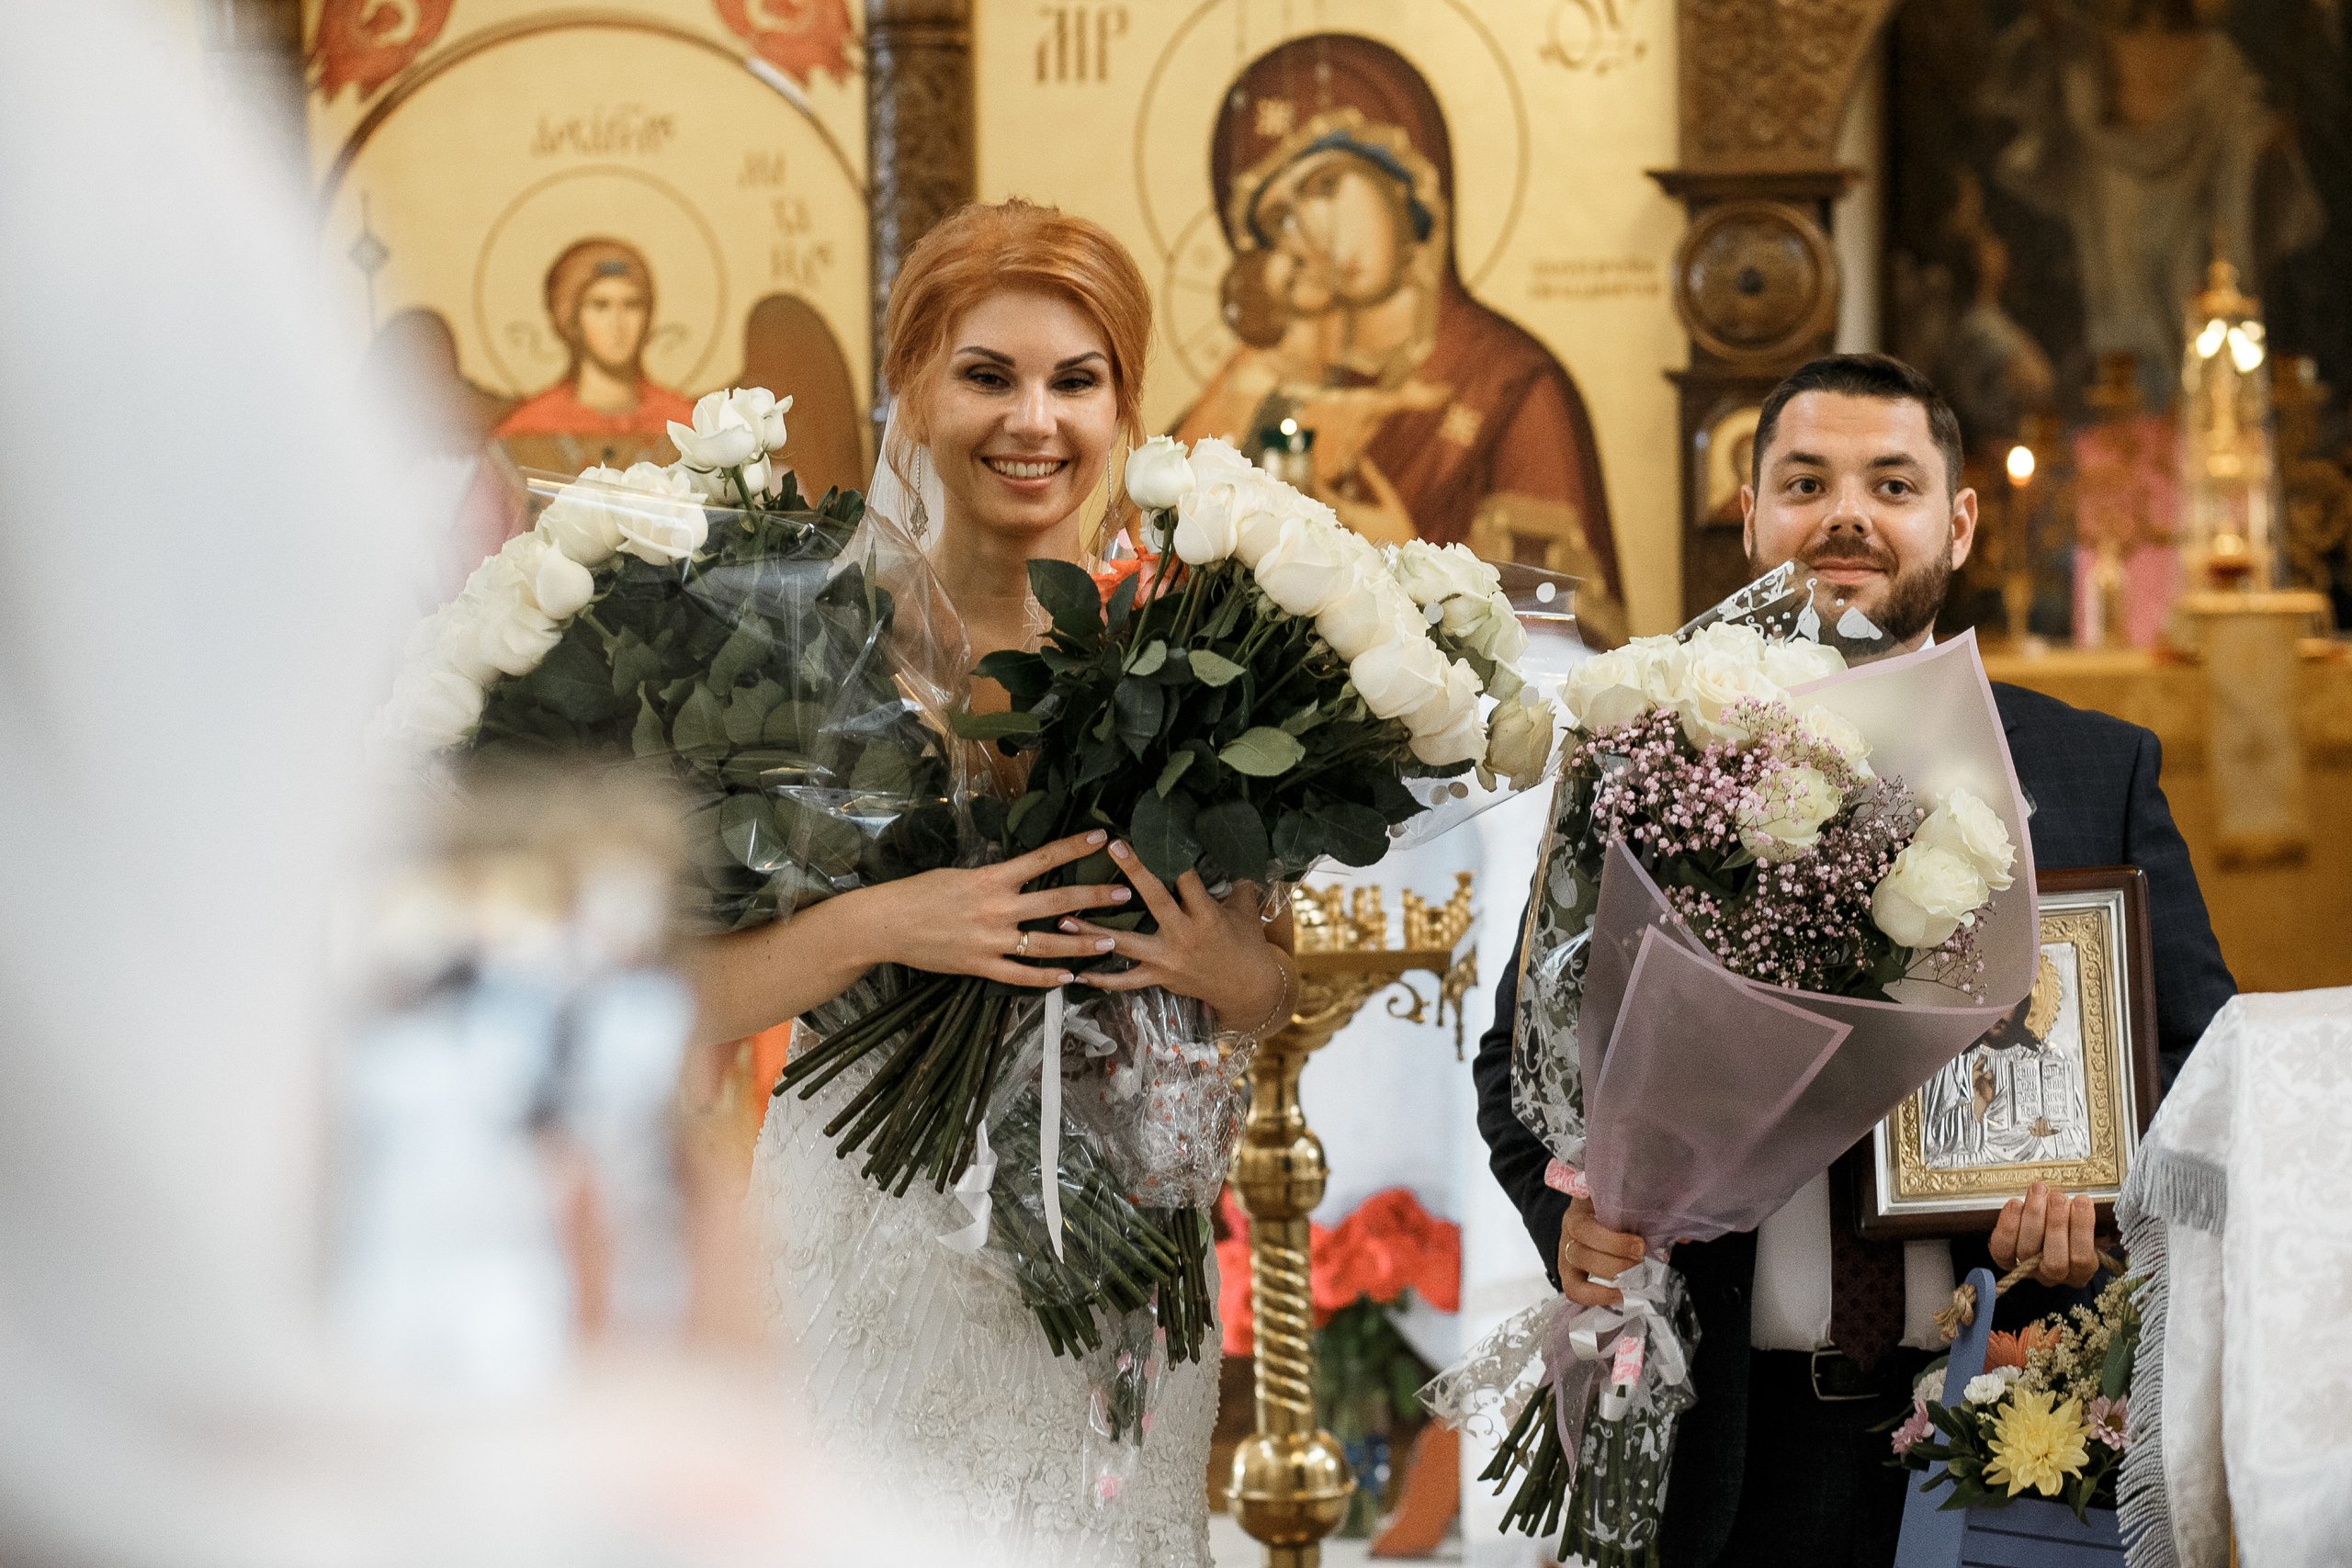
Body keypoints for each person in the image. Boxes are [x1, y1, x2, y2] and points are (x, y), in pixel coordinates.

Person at [1472, 354, 2236, 1567]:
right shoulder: (1652, 760)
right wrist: (1566, 1215)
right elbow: (1527, 1048)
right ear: (1752, 512)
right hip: (1727, 1439)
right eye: (1806, 481)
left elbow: (2204, 1062)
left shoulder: (2099, 766)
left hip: (2013, 1419)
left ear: (1958, 519)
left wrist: (2108, 1203)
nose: (1848, 516)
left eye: (1892, 483)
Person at [701, 199, 1296, 1566]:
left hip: (1118, 1258)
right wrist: (885, 919)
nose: (1034, 419)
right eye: (988, 375)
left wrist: (1218, 964)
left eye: (1076, 381)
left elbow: (1271, 987)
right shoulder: (800, 646)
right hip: (867, 1239)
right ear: (911, 384)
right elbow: (678, 991)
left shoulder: (1195, 655)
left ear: (1120, 406)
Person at [1170, 35, 1625, 644]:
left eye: (1326, 185)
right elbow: (1150, 599)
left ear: (1408, 176)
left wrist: (1406, 563)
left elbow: (1575, 648)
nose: (1311, 231)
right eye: (1280, 217)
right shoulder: (1261, 389)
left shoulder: (1511, 385)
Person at [453, 239, 696, 573]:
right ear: (569, 317)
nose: (618, 322)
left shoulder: (689, 429)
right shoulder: (521, 438)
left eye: (632, 305)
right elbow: (473, 563)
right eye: (600, 305)